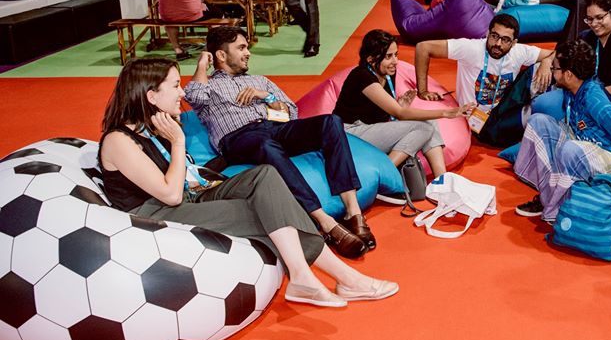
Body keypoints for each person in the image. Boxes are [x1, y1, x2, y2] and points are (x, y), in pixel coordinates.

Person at [99, 57, 398, 309]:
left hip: (191, 194)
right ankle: (339, 278)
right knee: (261, 211)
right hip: (156, 212)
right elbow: (170, 195)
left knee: (265, 176)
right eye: (176, 86)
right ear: (151, 96)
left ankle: (307, 277)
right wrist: (178, 142)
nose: (182, 93)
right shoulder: (118, 141)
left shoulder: (154, 128)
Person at [185, 26, 374, 258]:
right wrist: (202, 64)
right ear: (221, 55)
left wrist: (267, 96)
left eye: (247, 48)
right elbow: (194, 96)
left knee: (331, 122)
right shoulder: (209, 86)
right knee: (265, 144)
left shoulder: (260, 81)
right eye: (241, 48)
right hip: (238, 139)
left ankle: (353, 212)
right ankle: (325, 222)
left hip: (274, 129)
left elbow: (291, 113)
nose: (248, 53)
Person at [513, 39, 611, 221]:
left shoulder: (595, 100)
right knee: (538, 122)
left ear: (568, 75)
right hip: (584, 148)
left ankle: (557, 209)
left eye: (555, 68)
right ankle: (548, 197)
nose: (552, 71)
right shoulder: (572, 90)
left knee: (570, 149)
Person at [334, 29, 474, 178]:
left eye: (396, 54)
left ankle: (442, 179)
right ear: (370, 59)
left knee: (429, 122)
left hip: (368, 129)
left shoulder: (387, 73)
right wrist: (447, 113)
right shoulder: (361, 76)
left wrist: (400, 105)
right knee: (424, 128)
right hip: (349, 134)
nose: (395, 61)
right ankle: (383, 172)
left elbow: (382, 113)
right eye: (388, 56)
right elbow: (399, 114)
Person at [415, 14, 555, 133]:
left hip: (502, 111)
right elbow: (423, 47)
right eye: (494, 36)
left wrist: (547, 62)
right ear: (487, 34)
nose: (498, 44)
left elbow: (556, 54)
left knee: (541, 67)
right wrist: (423, 91)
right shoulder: (471, 48)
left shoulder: (519, 51)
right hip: (473, 116)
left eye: (505, 40)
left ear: (513, 43)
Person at [533, 0, 611, 124]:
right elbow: (562, 55)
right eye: (589, 19)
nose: (594, 24)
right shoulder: (586, 37)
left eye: (600, 18)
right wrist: (547, 62)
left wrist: (579, 96)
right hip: (585, 95)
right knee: (541, 104)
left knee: (561, 113)